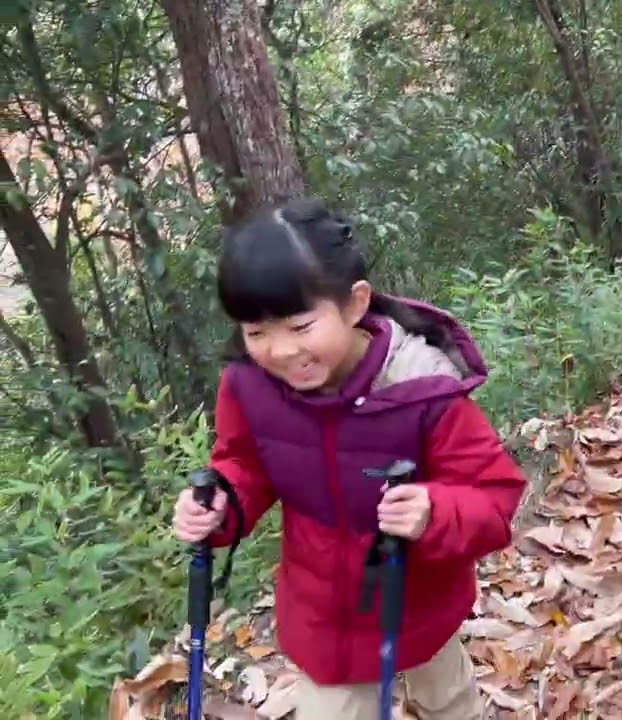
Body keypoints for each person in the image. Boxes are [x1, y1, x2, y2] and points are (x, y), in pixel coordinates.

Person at [171, 196, 525, 720]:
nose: (280, 351)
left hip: (418, 597)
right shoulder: (249, 385)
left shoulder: (420, 389)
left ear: (355, 303)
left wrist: (432, 512)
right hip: (322, 612)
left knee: (449, 702)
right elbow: (245, 464)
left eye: (300, 327)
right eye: (256, 333)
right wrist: (220, 504)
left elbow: (494, 499)